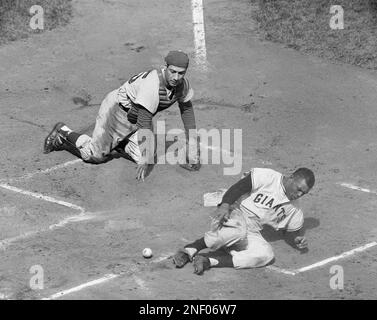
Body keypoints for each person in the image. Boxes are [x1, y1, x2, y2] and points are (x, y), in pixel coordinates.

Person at [43, 50, 201, 181]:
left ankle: (119, 142)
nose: (176, 77)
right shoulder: (152, 87)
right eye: (173, 71)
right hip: (117, 112)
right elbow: (144, 121)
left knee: (148, 155)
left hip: (135, 118)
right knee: (95, 155)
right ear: (165, 67)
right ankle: (63, 133)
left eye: (181, 73)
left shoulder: (182, 85)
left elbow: (186, 110)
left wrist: (192, 141)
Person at [172, 167, 315, 275]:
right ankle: (189, 250)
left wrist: (297, 239)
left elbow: (293, 231)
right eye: (299, 189)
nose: (299, 194)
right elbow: (240, 187)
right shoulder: (268, 177)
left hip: (252, 230)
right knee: (237, 231)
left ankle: (208, 261)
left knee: (266, 254)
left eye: (304, 193)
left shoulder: (295, 209)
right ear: (291, 178)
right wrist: (225, 205)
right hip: (234, 212)